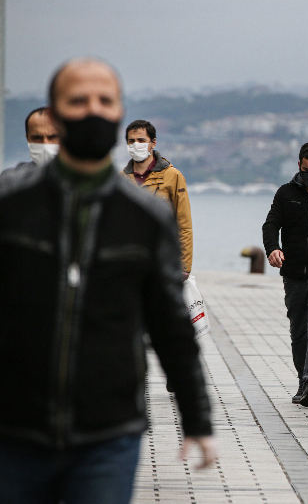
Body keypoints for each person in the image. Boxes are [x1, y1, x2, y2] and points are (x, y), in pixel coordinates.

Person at [0, 58, 215, 503]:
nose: (93, 110)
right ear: (57, 115)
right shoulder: (12, 205)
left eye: (105, 100)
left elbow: (171, 324)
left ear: (118, 113)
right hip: (16, 428)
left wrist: (196, 419)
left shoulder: (144, 215)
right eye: (78, 101)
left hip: (109, 432)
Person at [262, 141, 308, 407]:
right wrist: (273, 248)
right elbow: (271, 224)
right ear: (299, 166)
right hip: (293, 274)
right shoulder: (286, 193)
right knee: (299, 331)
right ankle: (303, 381)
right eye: (307, 169)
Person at [121, 119, 193, 278]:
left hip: (162, 259)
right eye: (131, 141)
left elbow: (184, 224)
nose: (136, 145)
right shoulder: (120, 180)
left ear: (153, 143)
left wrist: (184, 266)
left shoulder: (173, 176)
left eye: (141, 140)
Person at [0, 107, 61, 177]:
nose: (45, 144)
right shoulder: (12, 180)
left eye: (53, 137)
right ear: (27, 139)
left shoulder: (75, 179)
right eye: (37, 138)